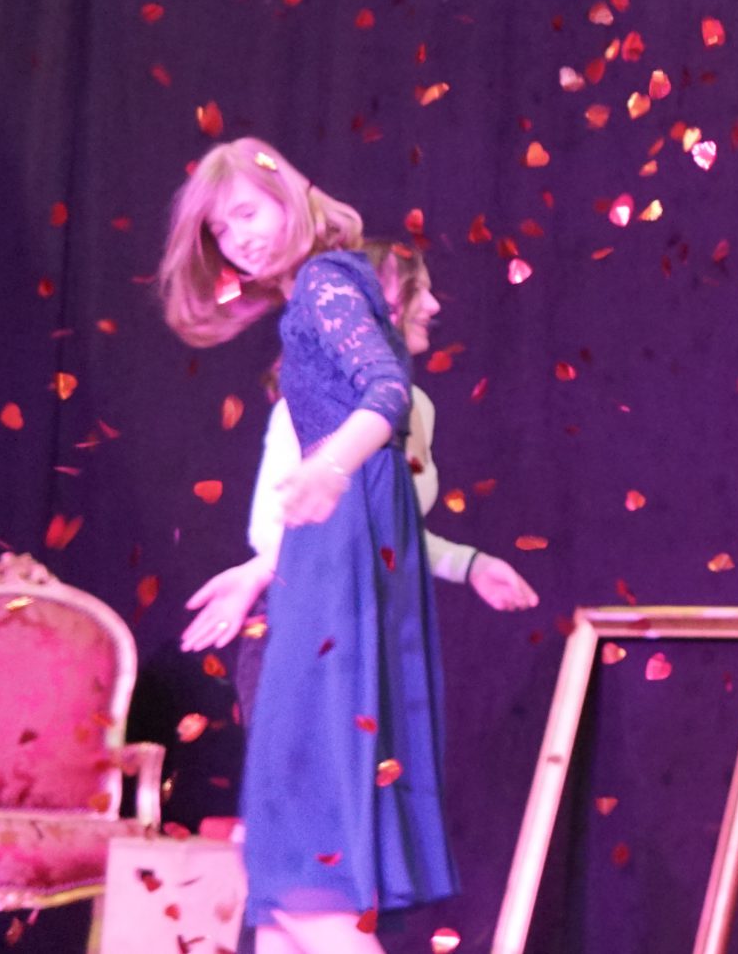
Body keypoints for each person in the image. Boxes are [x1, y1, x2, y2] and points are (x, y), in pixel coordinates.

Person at [158, 139, 455, 954]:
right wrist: (262, 569)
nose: (239, 239)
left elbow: (387, 392)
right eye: (222, 231)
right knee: (284, 878)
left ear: (288, 195)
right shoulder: (315, 292)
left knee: (302, 854)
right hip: (323, 550)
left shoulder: (325, 281)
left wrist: (329, 466)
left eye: (247, 214)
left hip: (341, 546)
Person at [181, 240, 538, 712]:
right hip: (304, 626)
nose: (433, 305)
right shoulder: (307, 409)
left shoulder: (417, 407)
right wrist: (256, 574)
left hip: (374, 625)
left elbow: (389, 530)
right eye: (416, 289)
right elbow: (274, 529)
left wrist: (470, 565)